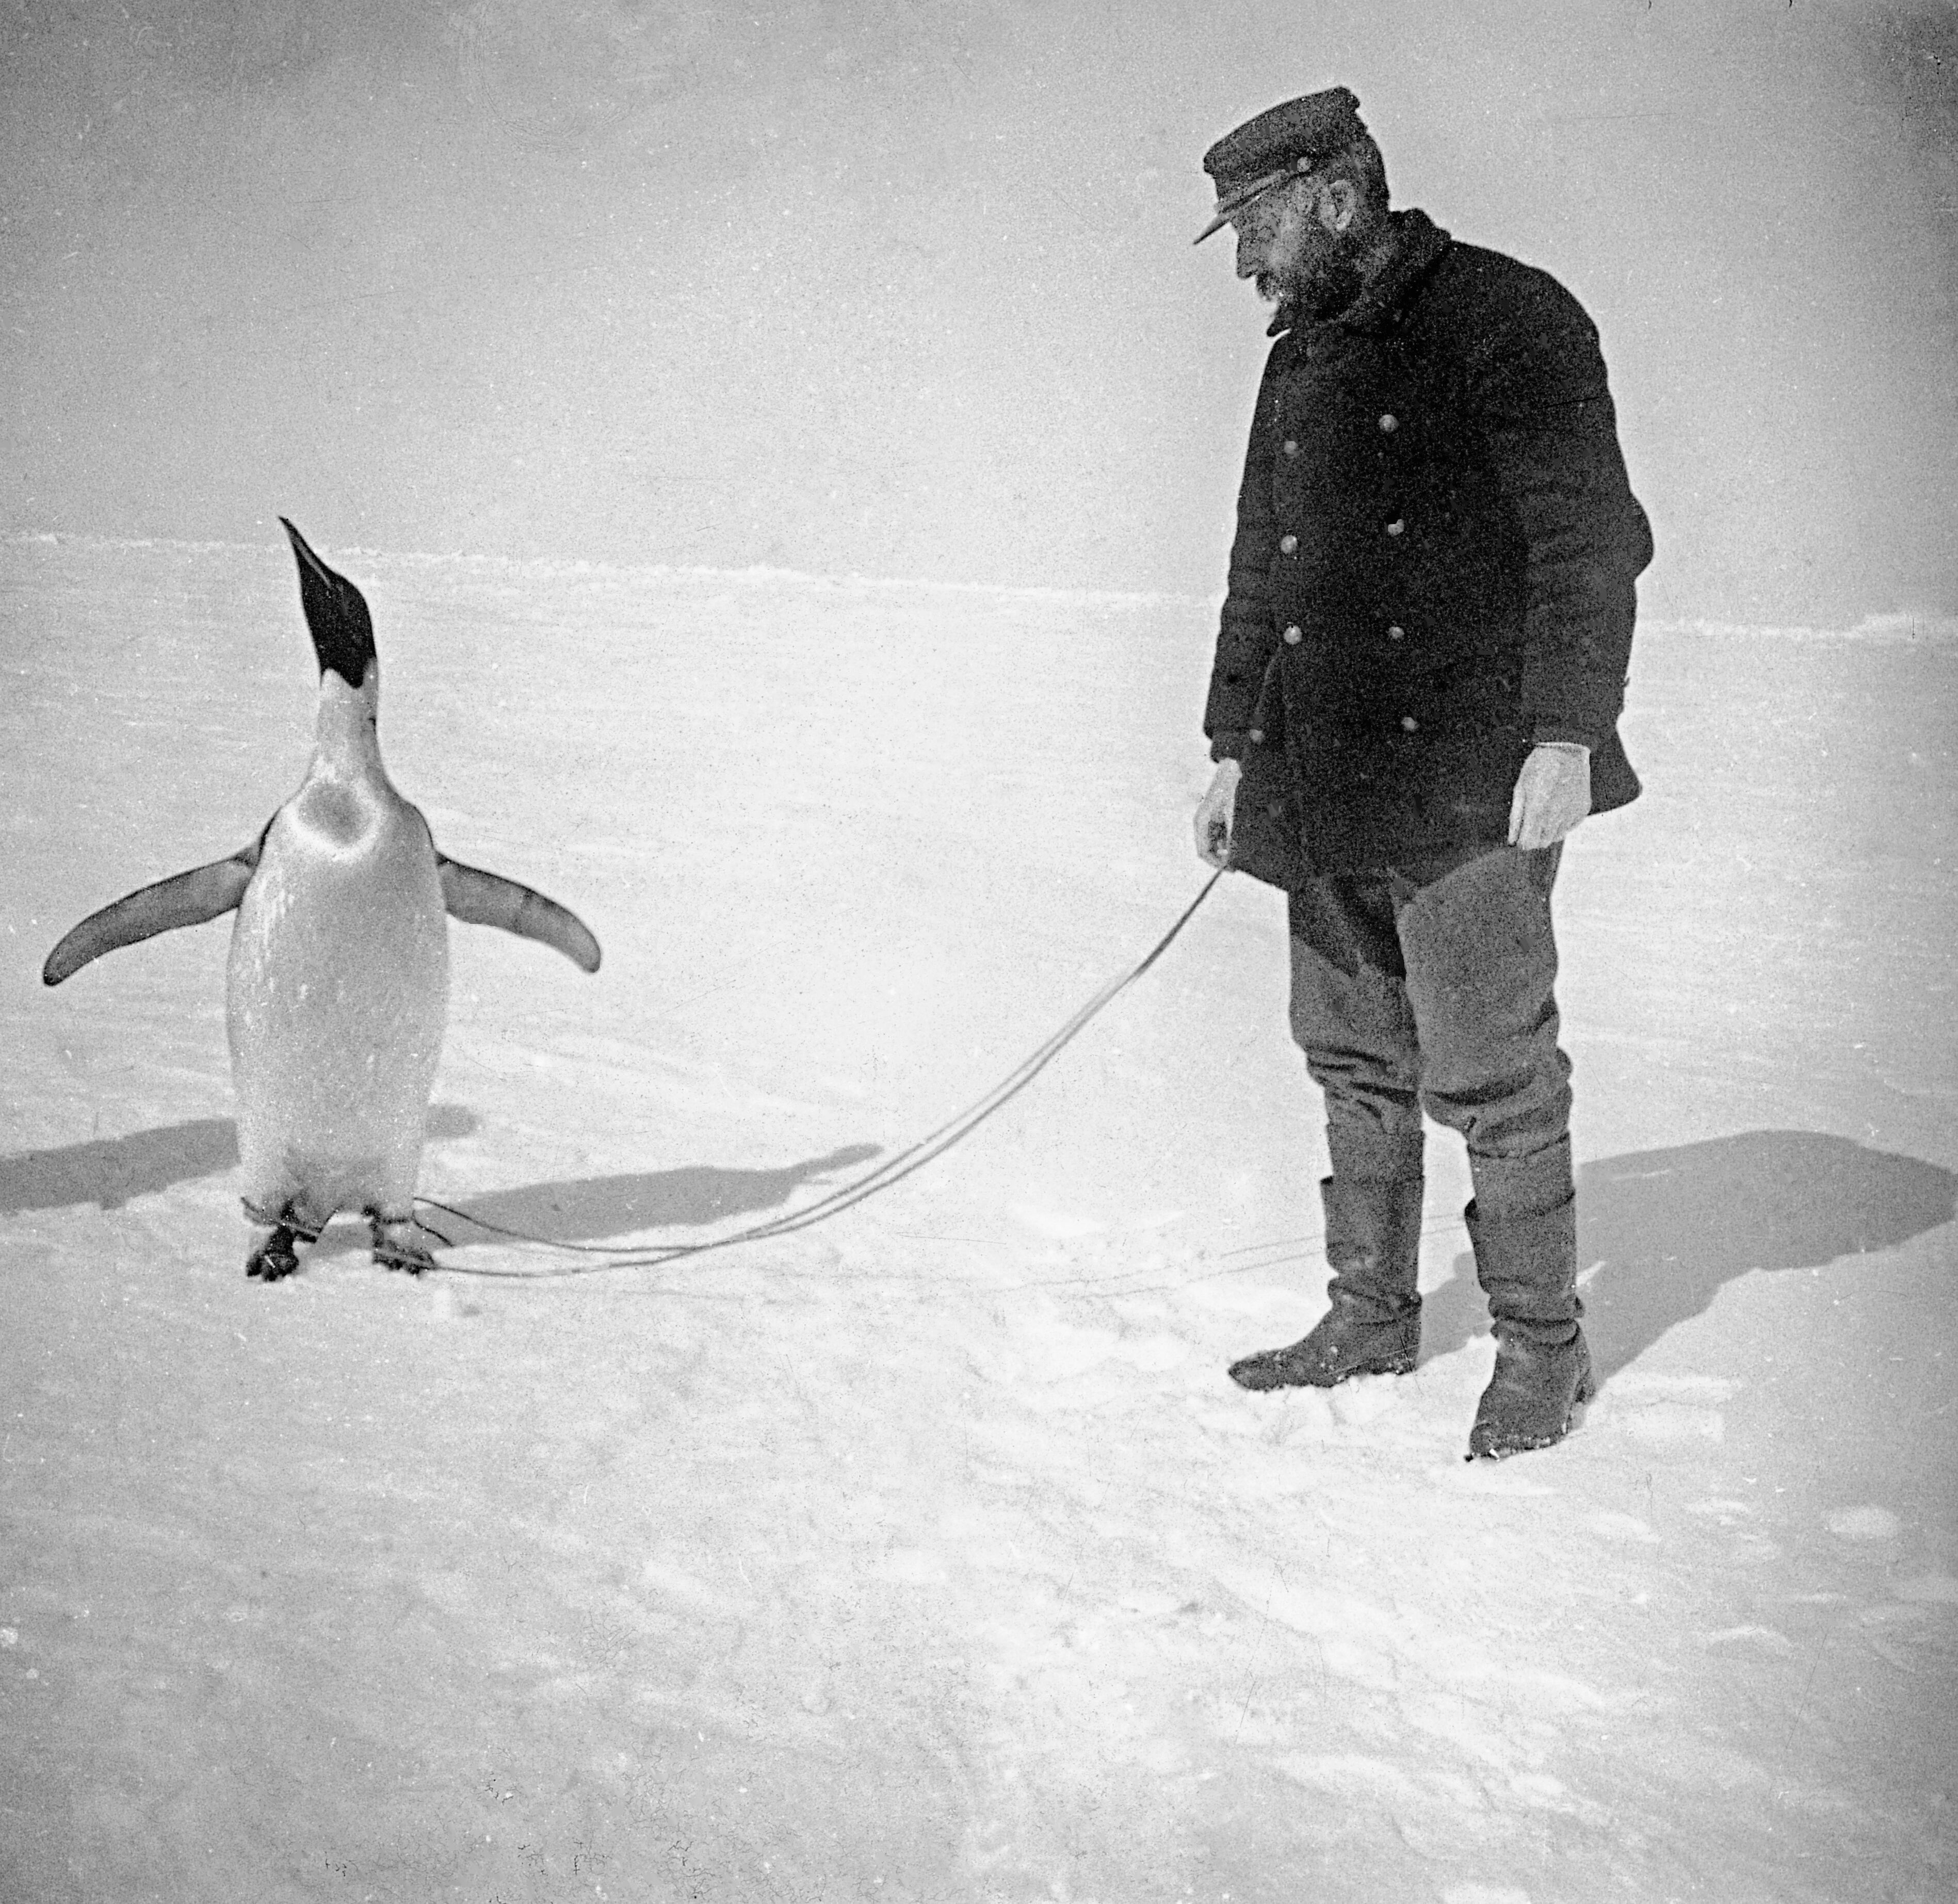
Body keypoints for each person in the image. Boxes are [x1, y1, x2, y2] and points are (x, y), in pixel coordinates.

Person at [1189, 87, 1653, 1458]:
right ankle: (1369, 1312)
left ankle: (1537, 1350)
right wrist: (1228, 744)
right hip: (1316, 761)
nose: (1245, 265)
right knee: (1349, 1055)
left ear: (1337, 198)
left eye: (1257, 226)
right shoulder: (1298, 358)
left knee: (1493, 1069)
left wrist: (1565, 733)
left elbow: (1592, 544)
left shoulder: (1511, 318)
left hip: (1470, 772)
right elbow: (1256, 569)